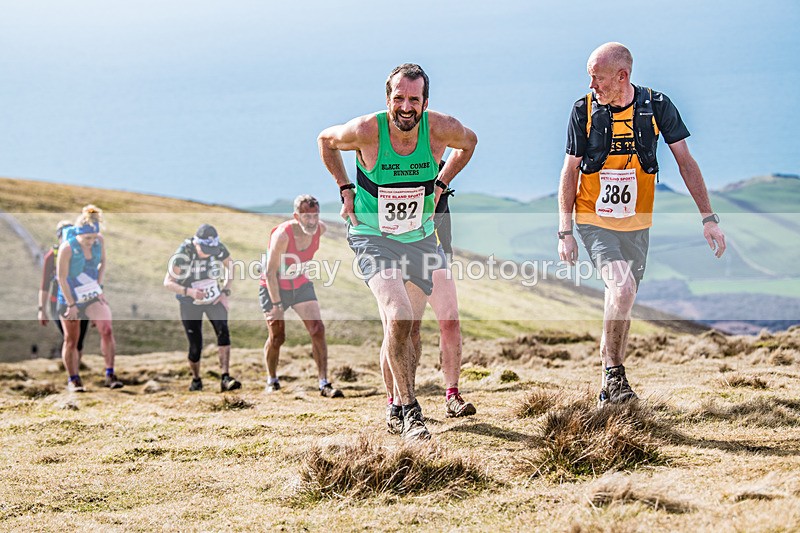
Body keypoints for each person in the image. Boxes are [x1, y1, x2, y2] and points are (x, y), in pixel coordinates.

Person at [557, 42, 726, 405]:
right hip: (593, 219)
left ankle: (610, 376)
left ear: (623, 76)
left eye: (598, 79)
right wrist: (565, 229)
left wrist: (708, 218)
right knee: (621, 289)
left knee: (624, 296)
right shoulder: (583, 111)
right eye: (590, 78)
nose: (592, 87)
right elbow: (569, 171)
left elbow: (686, 162)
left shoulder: (657, 106)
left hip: (637, 223)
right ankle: (613, 380)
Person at [318, 63, 477, 440]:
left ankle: (394, 404)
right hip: (373, 236)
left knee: (411, 331)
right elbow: (325, 140)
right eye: (399, 98)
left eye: (414, 100)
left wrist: (441, 182)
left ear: (425, 102)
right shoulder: (366, 131)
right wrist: (344, 187)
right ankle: (410, 411)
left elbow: (469, 143)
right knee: (398, 315)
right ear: (387, 99)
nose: (406, 107)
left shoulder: (440, 129)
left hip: (419, 237)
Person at [259, 194, 343, 398]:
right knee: (277, 337)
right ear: (296, 216)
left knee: (317, 329)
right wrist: (277, 304)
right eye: (307, 217)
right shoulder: (283, 235)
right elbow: (270, 272)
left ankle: (323, 382)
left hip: (300, 283)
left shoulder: (320, 229)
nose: (312, 222)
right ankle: (272, 380)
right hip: (274, 286)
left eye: (315, 216)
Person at [164, 224, 241, 392]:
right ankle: (196, 379)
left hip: (214, 297)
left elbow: (231, 266)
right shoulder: (183, 253)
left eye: (210, 250)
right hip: (189, 301)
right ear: (196, 243)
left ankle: (225, 378)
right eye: (204, 249)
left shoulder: (217, 247)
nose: (208, 254)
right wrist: (189, 292)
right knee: (195, 344)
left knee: (223, 330)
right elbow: (168, 282)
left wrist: (225, 291)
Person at [56, 205, 122, 392]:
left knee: (107, 329)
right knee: (72, 340)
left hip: (91, 294)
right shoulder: (67, 248)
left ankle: (110, 374)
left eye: (93, 238)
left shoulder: (99, 241)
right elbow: (61, 278)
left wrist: (99, 288)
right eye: (87, 239)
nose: (91, 242)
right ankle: (73, 379)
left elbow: (103, 263)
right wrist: (71, 304)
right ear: (78, 234)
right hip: (70, 296)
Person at [430, 162, 476, 418]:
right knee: (405, 327)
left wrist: (446, 250)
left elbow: (443, 213)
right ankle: (401, 402)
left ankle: (452, 395)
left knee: (450, 320)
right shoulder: (395, 161)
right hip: (398, 252)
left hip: (432, 252)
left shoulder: (441, 166)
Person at [38, 220, 89, 359]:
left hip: (81, 301)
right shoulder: (52, 256)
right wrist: (42, 310)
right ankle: (72, 376)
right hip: (58, 303)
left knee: (79, 342)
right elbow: (45, 285)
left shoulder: (81, 254)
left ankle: (77, 371)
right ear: (59, 236)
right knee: (70, 338)